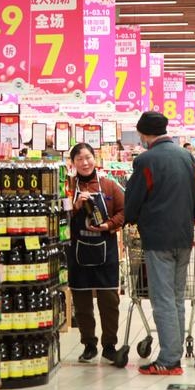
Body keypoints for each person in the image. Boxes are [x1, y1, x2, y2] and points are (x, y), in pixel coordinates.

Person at [124, 111, 195, 375]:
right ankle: (173, 354)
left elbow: (133, 200)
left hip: (158, 239)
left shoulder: (146, 160)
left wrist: (133, 218)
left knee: (162, 298)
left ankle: (168, 359)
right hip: (183, 238)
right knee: (176, 297)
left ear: (143, 133)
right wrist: (189, 215)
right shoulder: (187, 157)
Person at [67, 143, 126, 364]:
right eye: (79, 159)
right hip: (77, 250)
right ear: (73, 163)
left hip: (106, 250)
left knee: (109, 300)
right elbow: (56, 212)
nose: (85, 163)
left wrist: (108, 225)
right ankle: (89, 345)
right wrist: (74, 206)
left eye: (88, 157)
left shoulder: (109, 186)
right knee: (82, 301)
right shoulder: (67, 187)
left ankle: (109, 345)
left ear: (95, 158)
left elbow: (124, 210)